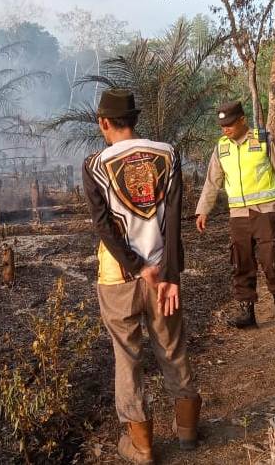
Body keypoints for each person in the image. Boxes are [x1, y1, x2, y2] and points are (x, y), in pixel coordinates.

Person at [83, 89, 201, 464]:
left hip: (119, 277)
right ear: (134, 119)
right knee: (172, 347)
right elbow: (174, 219)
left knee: (128, 357)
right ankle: (187, 431)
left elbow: (104, 227)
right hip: (163, 277)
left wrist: (137, 267)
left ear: (104, 123)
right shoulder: (168, 154)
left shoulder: (94, 166)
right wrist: (167, 274)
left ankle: (143, 446)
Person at [195, 101, 275, 329]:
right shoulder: (222, 147)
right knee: (242, 263)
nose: (226, 129)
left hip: (264, 212)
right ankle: (247, 312)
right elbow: (212, 182)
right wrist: (202, 210)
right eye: (222, 126)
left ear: (242, 120)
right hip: (238, 216)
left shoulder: (261, 141)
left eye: (230, 124)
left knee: (272, 261)